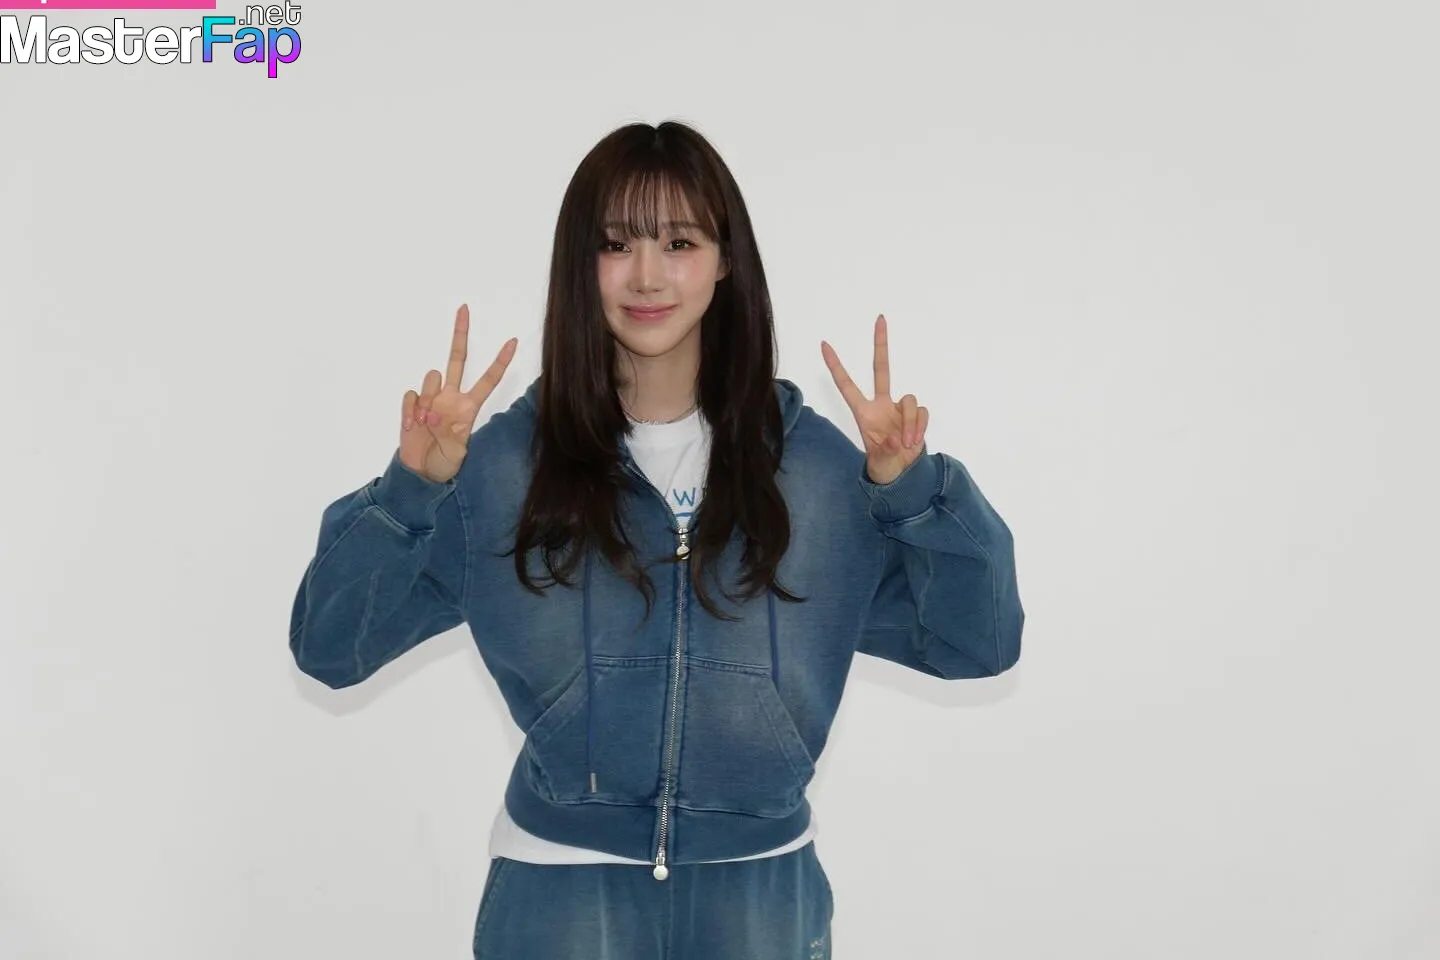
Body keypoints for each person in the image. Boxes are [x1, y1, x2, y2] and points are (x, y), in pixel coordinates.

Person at [289, 119, 1024, 959]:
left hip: (759, 895)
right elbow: (332, 650)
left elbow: (977, 645)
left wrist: (915, 497)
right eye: (615, 244)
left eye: (679, 242)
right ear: (580, 264)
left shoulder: (821, 473)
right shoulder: (502, 468)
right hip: (561, 892)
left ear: (725, 259)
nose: (646, 275)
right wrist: (410, 492)